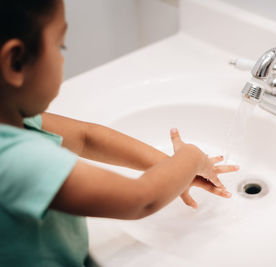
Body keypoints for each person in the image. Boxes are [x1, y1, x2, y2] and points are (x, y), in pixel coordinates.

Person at [0, 0, 239, 265]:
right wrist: (191, 158)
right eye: (60, 45)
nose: (63, 56)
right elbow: (140, 199)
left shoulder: (11, 119)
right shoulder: (14, 159)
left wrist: (175, 171)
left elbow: (86, 137)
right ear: (16, 63)